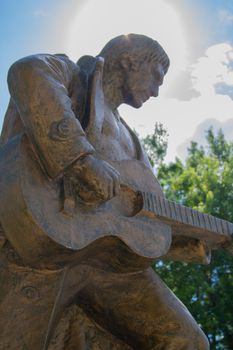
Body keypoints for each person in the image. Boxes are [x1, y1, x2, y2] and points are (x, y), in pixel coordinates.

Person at [0, 34, 209, 349]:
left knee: (187, 342)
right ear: (129, 60)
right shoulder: (74, 78)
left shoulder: (134, 143)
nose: (156, 91)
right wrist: (80, 161)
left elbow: (135, 223)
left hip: (106, 266)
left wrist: (192, 240)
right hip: (36, 248)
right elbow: (27, 71)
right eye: (156, 77)